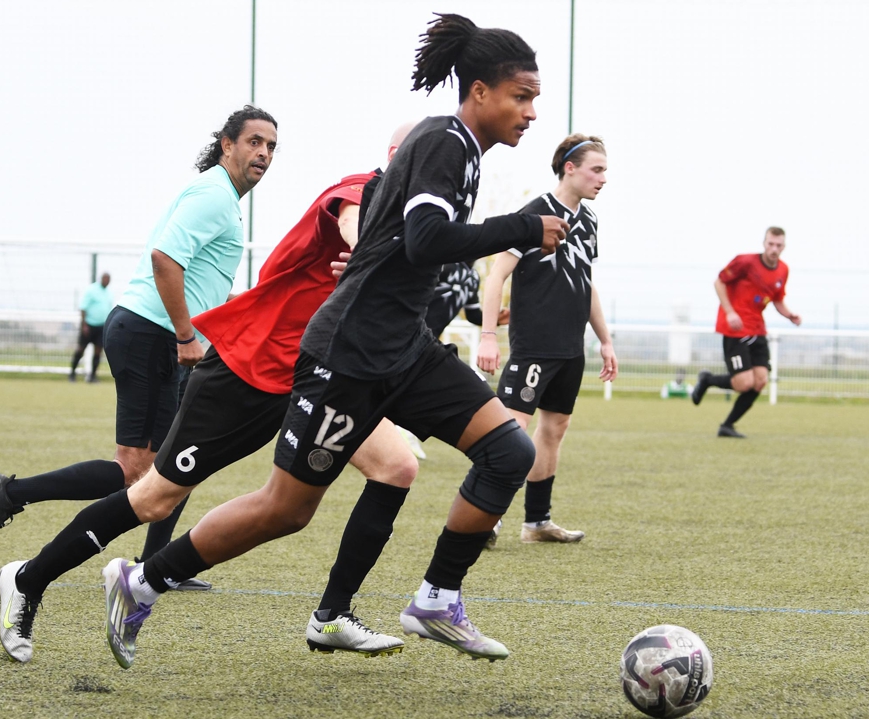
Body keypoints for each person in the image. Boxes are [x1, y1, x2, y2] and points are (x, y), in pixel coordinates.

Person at [98, 13, 569, 669]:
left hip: (403, 349)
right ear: (481, 92)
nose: (532, 111)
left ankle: (435, 596)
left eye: (535, 98)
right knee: (284, 510)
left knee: (506, 450)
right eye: (523, 96)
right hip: (347, 356)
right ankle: (139, 581)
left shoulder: (465, 155)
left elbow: (402, 243)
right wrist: (519, 225)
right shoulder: (445, 142)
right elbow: (426, 239)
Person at [0, 125, 424, 664]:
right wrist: (375, 260)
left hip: (311, 377)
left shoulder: (415, 224)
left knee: (395, 466)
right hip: (247, 372)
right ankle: (28, 579)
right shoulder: (361, 190)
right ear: (397, 159)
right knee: (152, 498)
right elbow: (352, 223)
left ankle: (332, 615)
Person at [0, 106, 277, 579]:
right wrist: (184, 336)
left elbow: (197, 279)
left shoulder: (219, 197)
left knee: (178, 458)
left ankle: (158, 564)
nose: (263, 153)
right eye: (254, 141)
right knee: (138, 470)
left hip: (156, 333)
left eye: (271, 146)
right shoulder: (215, 194)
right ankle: (9, 495)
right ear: (227, 144)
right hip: (150, 333)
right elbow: (164, 259)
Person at [477, 134, 618, 546]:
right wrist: (488, 335)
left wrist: (605, 341)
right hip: (534, 345)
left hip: (571, 346)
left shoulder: (588, 220)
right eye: (597, 169)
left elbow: (585, 282)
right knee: (512, 431)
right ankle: (485, 518)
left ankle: (537, 523)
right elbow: (497, 275)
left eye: (606, 170)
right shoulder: (535, 214)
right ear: (569, 168)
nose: (604, 179)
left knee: (554, 429)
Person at [690, 227, 801, 437]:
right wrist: (730, 312)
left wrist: (789, 315)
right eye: (770, 244)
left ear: (783, 247)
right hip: (735, 329)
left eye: (778, 245)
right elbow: (719, 282)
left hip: (758, 329)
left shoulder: (783, 270)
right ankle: (707, 380)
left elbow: (777, 299)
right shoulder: (745, 262)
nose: (774, 249)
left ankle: (727, 426)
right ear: (764, 243)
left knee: (759, 382)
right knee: (744, 383)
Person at [70, 272, 113, 382]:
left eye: (109, 279)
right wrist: (84, 324)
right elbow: (83, 307)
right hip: (89, 325)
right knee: (81, 349)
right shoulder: (91, 290)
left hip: (101, 327)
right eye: (105, 279)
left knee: (98, 351)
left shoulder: (109, 293)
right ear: (101, 279)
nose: (107, 281)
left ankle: (92, 376)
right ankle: (72, 374)